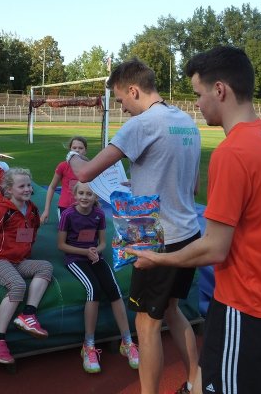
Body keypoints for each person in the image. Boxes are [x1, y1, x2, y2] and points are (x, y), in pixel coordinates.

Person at [130, 46, 261, 394]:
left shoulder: (231, 153)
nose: (197, 104)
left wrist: (158, 258)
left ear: (220, 90)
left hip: (242, 307)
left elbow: (215, 248)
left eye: (198, 94)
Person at [66, 58, 201, 394]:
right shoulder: (186, 121)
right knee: (172, 311)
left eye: (121, 100)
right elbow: (193, 185)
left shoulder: (142, 124)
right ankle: (196, 383)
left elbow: (85, 173)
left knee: (146, 323)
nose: (122, 108)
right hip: (189, 233)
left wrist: (71, 156)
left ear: (134, 90)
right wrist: (139, 183)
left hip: (157, 238)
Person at [57, 181, 139, 374]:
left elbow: (102, 242)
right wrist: (85, 252)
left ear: (95, 197)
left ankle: (127, 341)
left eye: (89, 194)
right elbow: (61, 245)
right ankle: (88, 345)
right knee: (93, 288)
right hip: (75, 258)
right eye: (81, 193)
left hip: (94, 257)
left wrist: (95, 251)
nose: (85, 197)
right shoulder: (68, 215)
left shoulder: (99, 214)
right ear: (75, 195)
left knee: (114, 288)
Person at [0, 168, 53, 365]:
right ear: (9, 190)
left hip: (19, 261)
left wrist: (25, 253)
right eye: (22, 186)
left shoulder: (32, 209)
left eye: (29, 185)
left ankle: (28, 314)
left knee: (45, 267)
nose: (27, 189)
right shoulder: (1, 211)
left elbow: (33, 230)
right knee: (18, 285)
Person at [40, 136, 88, 224]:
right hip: (65, 207)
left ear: (85, 151)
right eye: (74, 148)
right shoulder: (63, 166)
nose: (77, 150)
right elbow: (52, 187)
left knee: (83, 231)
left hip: (84, 207)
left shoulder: (89, 167)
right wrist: (46, 210)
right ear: (70, 150)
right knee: (66, 231)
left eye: (80, 148)